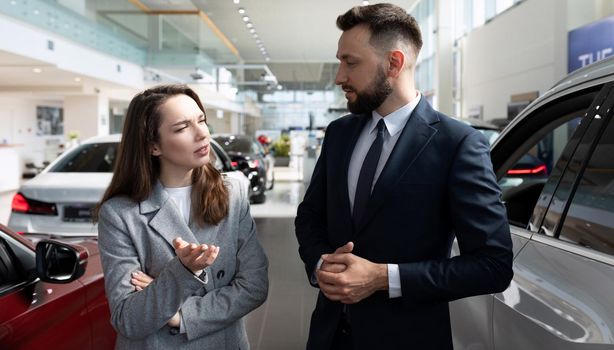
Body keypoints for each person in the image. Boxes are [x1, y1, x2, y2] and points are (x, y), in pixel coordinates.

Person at [295, 4, 513, 350]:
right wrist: (322, 262)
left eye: (350, 62)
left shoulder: (457, 144)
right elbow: (310, 215)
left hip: (409, 337)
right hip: (329, 335)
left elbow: (493, 266)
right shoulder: (339, 133)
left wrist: (383, 278)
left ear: (393, 63)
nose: (339, 76)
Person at [94, 85, 268, 349]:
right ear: (153, 145)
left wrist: (181, 315)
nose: (202, 134)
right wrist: (182, 272)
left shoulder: (233, 193)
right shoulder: (120, 214)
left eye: (201, 120)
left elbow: (254, 286)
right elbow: (127, 318)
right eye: (182, 128)